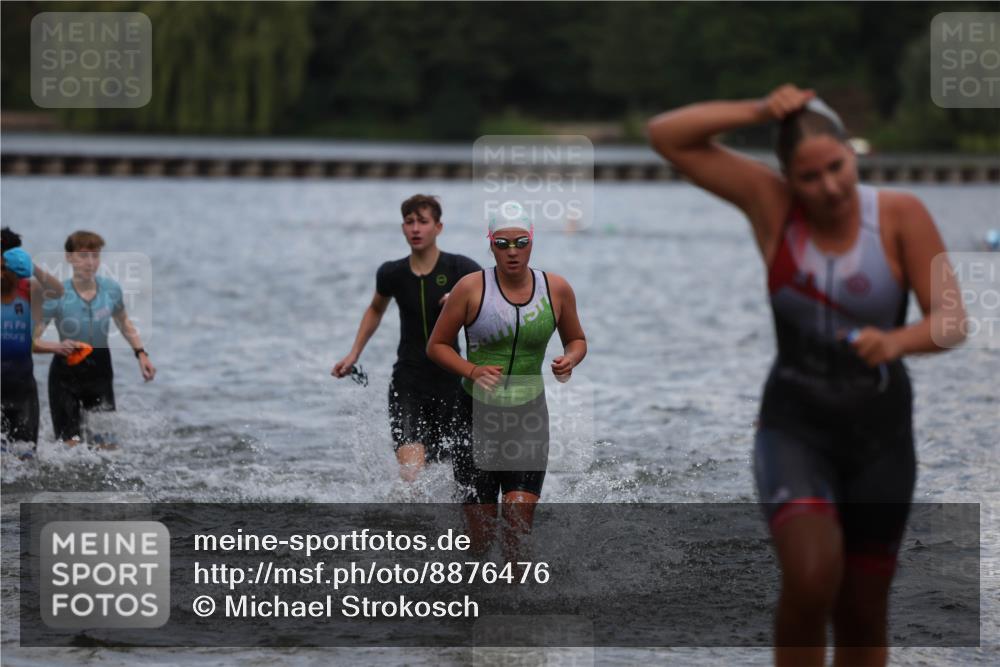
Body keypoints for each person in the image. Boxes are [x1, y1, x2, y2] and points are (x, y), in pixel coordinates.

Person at [648, 85, 966, 667]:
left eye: (836, 169)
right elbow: (666, 136)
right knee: (813, 576)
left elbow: (951, 321)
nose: (829, 188)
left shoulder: (900, 214)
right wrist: (759, 111)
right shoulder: (772, 207)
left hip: (881, 439)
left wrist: (894, 341)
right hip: (796, 429)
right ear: (788, 178)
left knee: (863, 613)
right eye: (809, 177)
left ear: (853, 153)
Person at [426, 203, 587, 558]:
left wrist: (569, 359)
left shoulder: (556, 289)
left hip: (528, 418)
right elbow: (436, 346)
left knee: (517, 525)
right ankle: (473, 600)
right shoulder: (470, 288)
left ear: (532, 241)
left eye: (520, 242)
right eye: (502, 243)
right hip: (475, 416)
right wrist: (472, 370)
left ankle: (516, 601)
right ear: (490, 243)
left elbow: (577, 340)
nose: (512, 252)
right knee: (480, 538)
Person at [332, 195, 481, 481]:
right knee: (412, 474)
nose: (415, 228)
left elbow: (493, 294)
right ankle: (409, 524)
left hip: (451, 383)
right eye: (409, 222)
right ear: (402, 228)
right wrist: (354, 355)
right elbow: (376, 308)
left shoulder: (461, 270)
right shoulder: (392, 273)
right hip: (408, 382)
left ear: (438, 227)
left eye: (423, 222)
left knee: (451, 472)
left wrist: (463, 298)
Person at [39, 230, 156, 448]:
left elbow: (124, 323)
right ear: (69, 257)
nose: (90, 262)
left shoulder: (111, 289)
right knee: (70, 447)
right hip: (65, 377)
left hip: (100, 374)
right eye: (83, 255)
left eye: (95, 255)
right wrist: (57, 346)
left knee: (107, 447)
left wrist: (141, 354)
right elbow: (32, 339)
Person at [1, 228, 77, 456]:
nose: (2, 274)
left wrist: (33, 268)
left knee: (25, 459)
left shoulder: (30, 290)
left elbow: (58, 291)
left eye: (6, 268)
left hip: (23, 390)